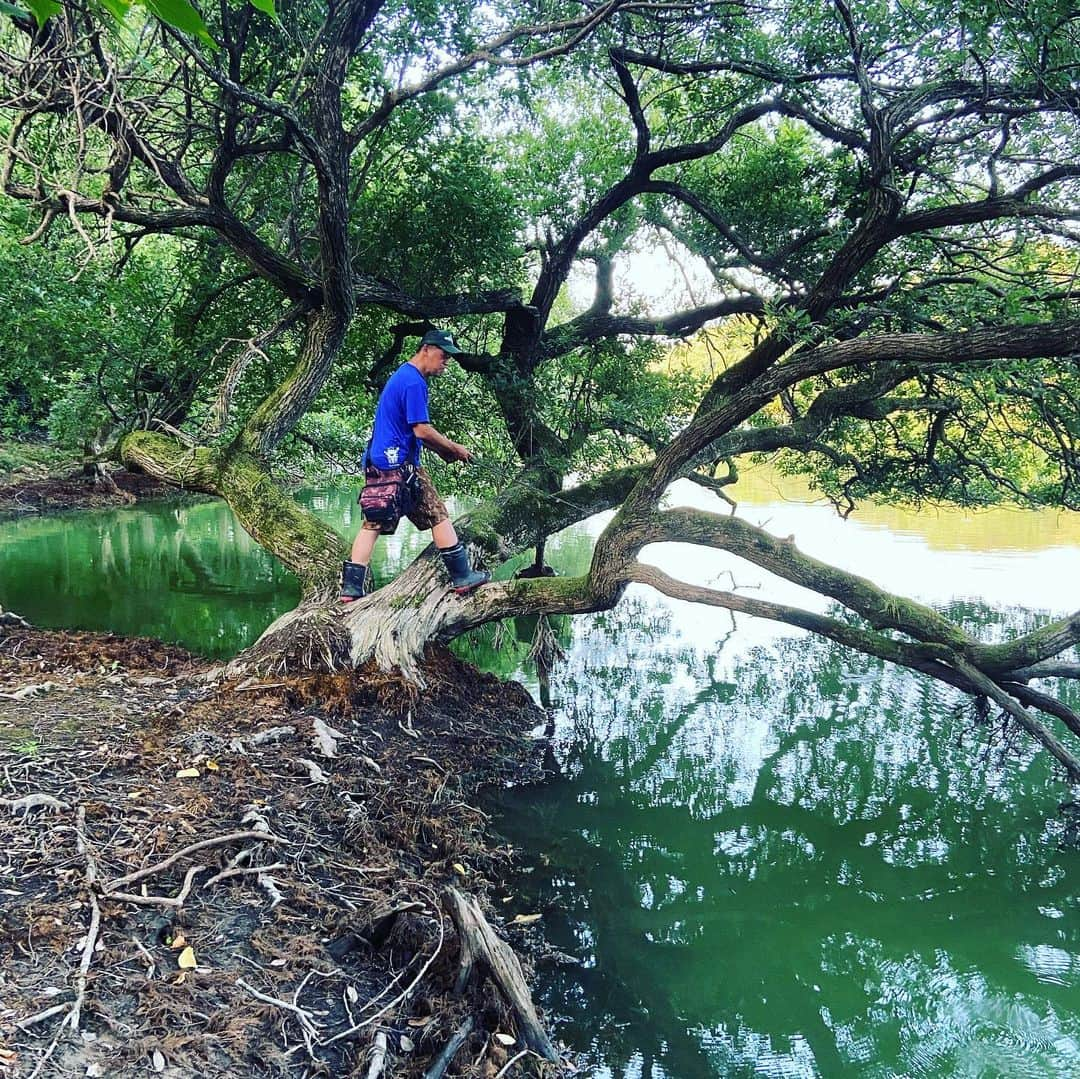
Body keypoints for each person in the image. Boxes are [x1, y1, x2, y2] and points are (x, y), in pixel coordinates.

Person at [340, 328, 490, 603]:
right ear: (426, 349)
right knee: (438, 514)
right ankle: (462, 578)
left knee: (372, 522)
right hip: (401, 466)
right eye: (444, 356)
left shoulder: (402, 376)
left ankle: (350, 590)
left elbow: (410, 431)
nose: (446, 362)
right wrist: (455, 448)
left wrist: (444, 452)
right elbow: (421, 430)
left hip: (378, 462)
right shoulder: (414, 383)